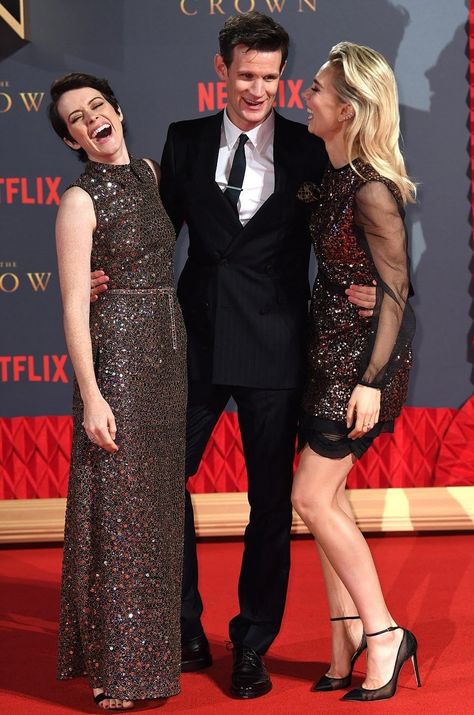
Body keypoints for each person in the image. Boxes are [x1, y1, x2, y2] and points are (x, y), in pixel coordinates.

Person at [90, 12, 376, 700]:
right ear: (221, 71)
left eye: (270, 77)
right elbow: (158, 238)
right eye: (245, 75)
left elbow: (351, 220)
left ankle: (252, 642)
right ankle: (185, 626)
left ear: (284, 77)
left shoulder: (311, 151)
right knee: (164, 485)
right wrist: (107, 274)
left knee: (270, 505)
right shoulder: (184, 142)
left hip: (278, 349)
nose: (257, 89)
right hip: (191, 344)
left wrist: (374, 287)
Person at [50, 73, 187, 710]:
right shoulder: (80, 200)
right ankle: (115, 667)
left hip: (166, 352)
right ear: (73, 139)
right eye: (76, 118)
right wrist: (94, 396)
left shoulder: (150, 175)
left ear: (117, 110)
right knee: (118, 515)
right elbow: (75, 307)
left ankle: (151, 667)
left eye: (96, 106)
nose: (91, 120)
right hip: (119, 363)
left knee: (157, 516)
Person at [291, 42, 419, 702]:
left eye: (315, 89)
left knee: (310, 497)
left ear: (346, 108)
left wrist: (370, 380)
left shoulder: (369, 187)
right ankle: (343, 642)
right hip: (326, 354)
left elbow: (397, 290)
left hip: (361, 365)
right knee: (328, 502)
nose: (303, 95)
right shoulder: (334, 173)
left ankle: (385, 634)